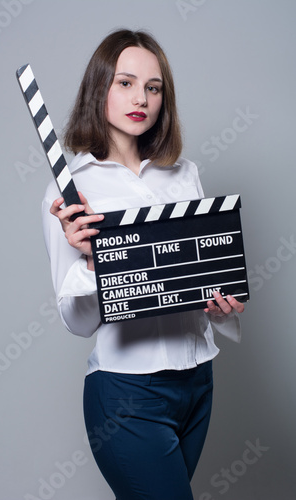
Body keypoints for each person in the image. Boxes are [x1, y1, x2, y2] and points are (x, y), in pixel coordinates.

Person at [42, 29, 245, 500]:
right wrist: (95, 264)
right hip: (128, 397)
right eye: (125, 83)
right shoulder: (70, 191)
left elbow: (198, 279)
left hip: (198, 383)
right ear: (100, 90)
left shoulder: (185, 174)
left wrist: (220, 307)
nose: (142, 98)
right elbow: (76, 322)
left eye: (153, 87)